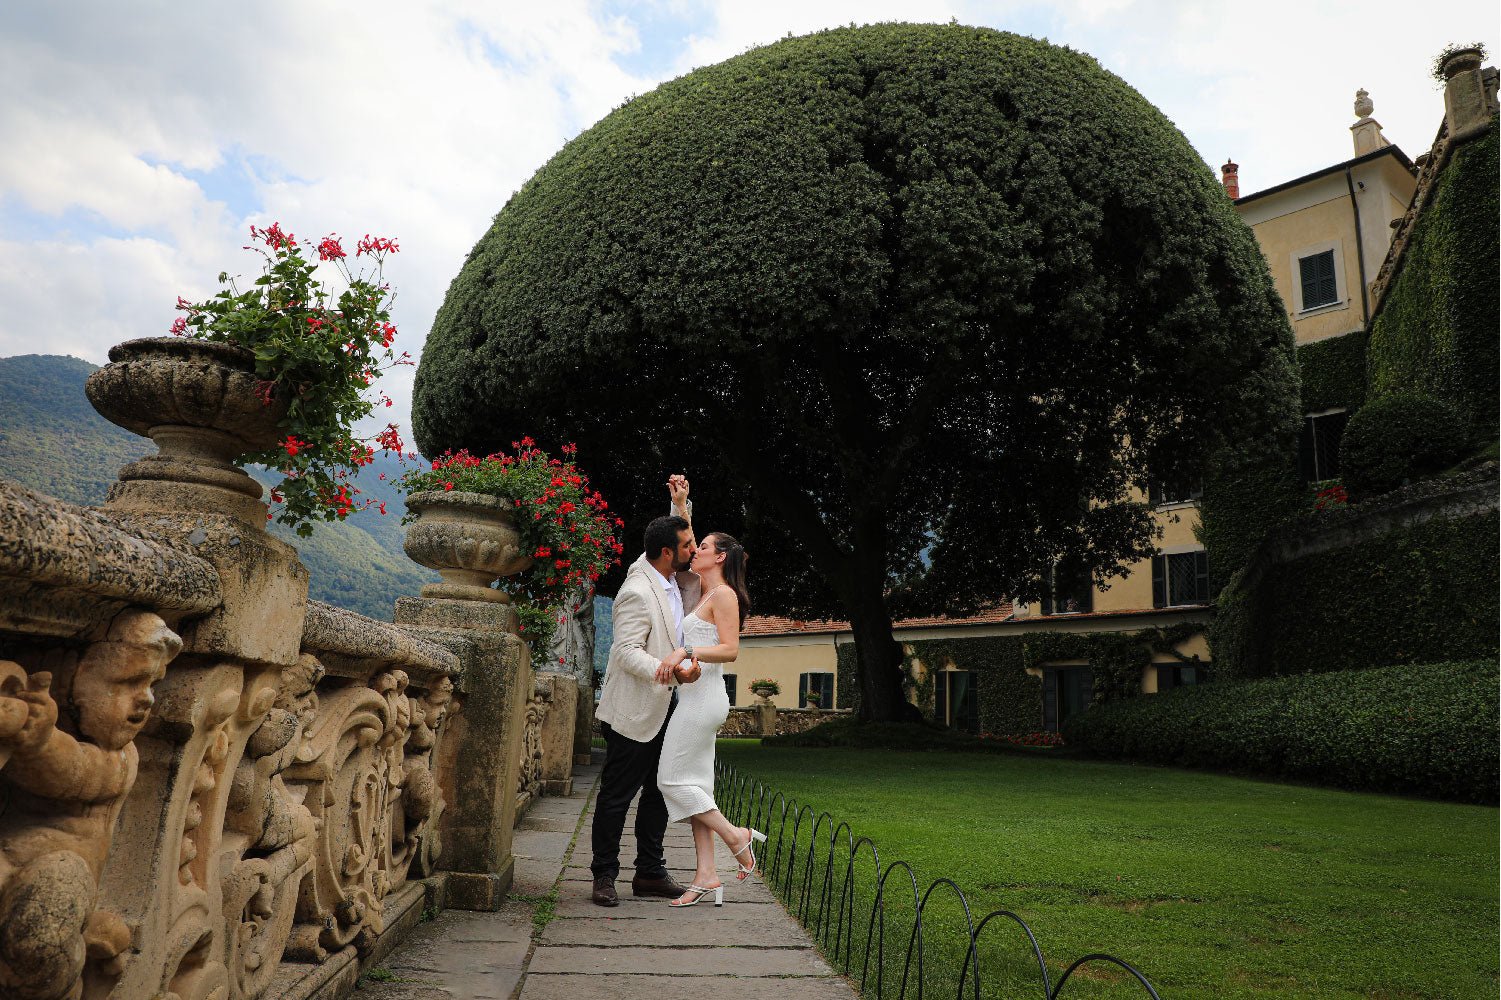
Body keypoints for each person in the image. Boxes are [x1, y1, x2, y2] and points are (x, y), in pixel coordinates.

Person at [589, 476, 702, 906]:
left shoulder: (665, 570)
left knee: (659, 790)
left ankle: (650, 873)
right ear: (668, 554)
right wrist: (672, 673)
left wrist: (680, 505)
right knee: (617, 796)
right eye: (687, 544)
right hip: (633, 712)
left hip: (666, 708)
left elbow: (671, 535)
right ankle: (604, 876)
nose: (694, 549)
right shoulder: (636, 590)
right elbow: (625, 653)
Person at [654, 530, 765, 907]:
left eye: (701, 547)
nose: (693, 550)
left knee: (669, 780)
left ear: (719, 557)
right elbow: (685, 531)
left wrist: (683, 649)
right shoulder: (701, 590)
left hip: (703, 702)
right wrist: (681, 502)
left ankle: (737, 836)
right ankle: (707, 875)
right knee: (699, 790)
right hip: (693, 697)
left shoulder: (724, 595)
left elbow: (730, 649)